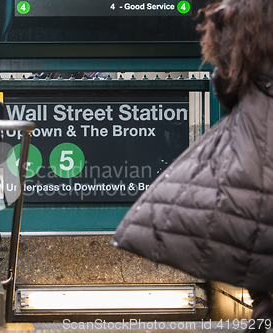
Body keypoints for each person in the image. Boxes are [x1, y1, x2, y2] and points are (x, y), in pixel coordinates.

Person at [111, 1, 273, 332]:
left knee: (251, 229)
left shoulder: (246, 14)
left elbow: (226, 86)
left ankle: (265, 307)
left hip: (256, 148)